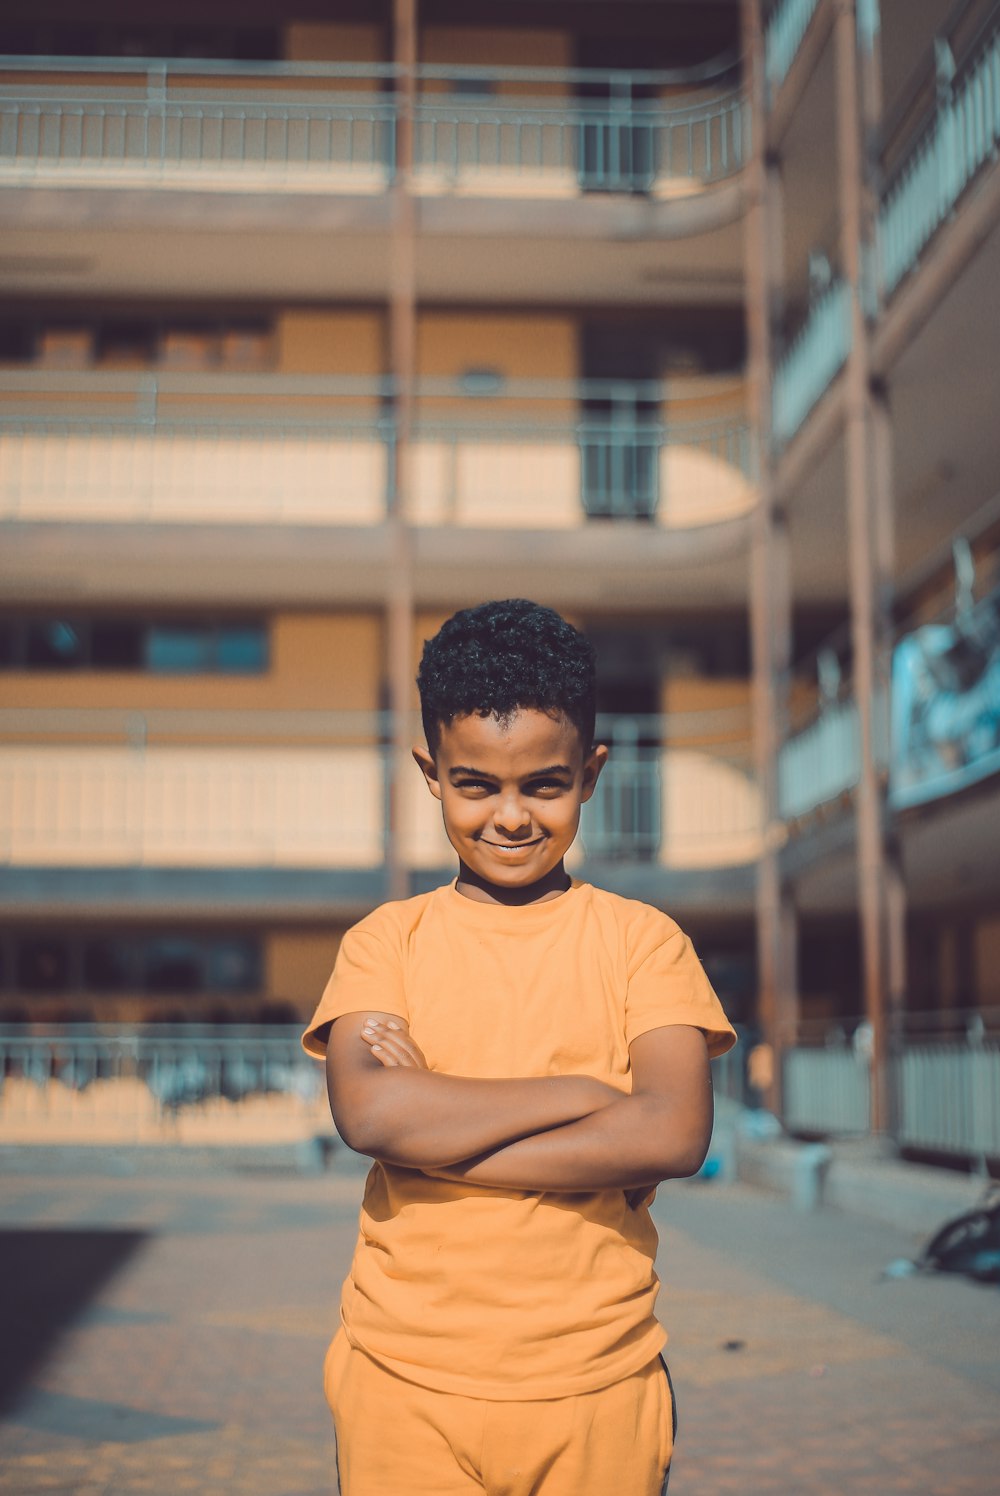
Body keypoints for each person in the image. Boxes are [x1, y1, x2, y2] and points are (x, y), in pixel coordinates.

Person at [302, 598, 736, 1496]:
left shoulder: (643, 942)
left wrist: (444, 1125)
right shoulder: (386, 942)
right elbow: (373, 1114)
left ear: (591, 773)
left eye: (543, 783)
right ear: (431, 773)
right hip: (401, 1377)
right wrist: (585, 1094)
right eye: (476, 784)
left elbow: (672, 1136)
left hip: (598, 1381)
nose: (510, 816)